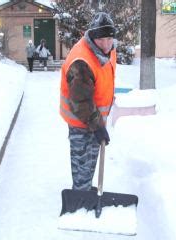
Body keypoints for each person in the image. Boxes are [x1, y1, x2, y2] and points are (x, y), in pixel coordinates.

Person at [59, 12, 117, 191]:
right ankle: (80, 198)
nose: (106, 44)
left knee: (91, 159)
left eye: (109, 38)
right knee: (83, 163)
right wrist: (98, 126)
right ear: (92, 36)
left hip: (95, 119)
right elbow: (80, 102)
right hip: (81, 121)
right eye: (101, 39)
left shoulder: (108, 50)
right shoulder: (81, 62)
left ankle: (85, 189)